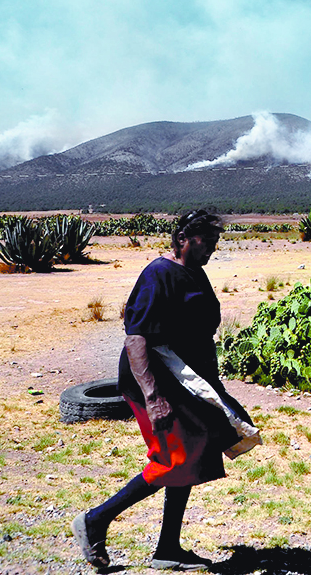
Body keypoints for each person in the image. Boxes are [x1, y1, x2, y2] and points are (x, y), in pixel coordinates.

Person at [72, 210, 259, 571]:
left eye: (216, 243)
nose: (213, 249)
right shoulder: (159, 273)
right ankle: (95, 520)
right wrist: (153, 397)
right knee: (171, 457)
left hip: (186, 378)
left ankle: (168, 549)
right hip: (155, 380)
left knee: (191, 454)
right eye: (208, 242)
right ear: (185, 239)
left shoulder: (195, 273)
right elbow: (136, 338)